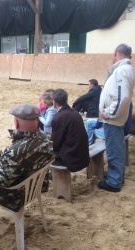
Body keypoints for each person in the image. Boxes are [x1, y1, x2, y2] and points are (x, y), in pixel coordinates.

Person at [0, 104, 54, 212]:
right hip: (34, 187)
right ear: (37, 120)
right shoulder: (44, 139)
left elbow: (1, 181)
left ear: (16, 122)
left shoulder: (15, 151)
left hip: (15, 196)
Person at [98, 44, 135, 193]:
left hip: (113, 118)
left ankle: (114, 182)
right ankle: (117, 176)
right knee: (116, 147)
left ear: (115, 53)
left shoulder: (121, 71)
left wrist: (107, 113)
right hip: (116, 117)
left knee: (114, 149)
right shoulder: (126, 70)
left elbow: (122, 97)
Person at [51, 89, 90, 172]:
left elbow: (55, 143)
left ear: (54, 102)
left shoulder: (59, 117)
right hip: (82, 155)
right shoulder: (75, 113)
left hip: (72, 159)